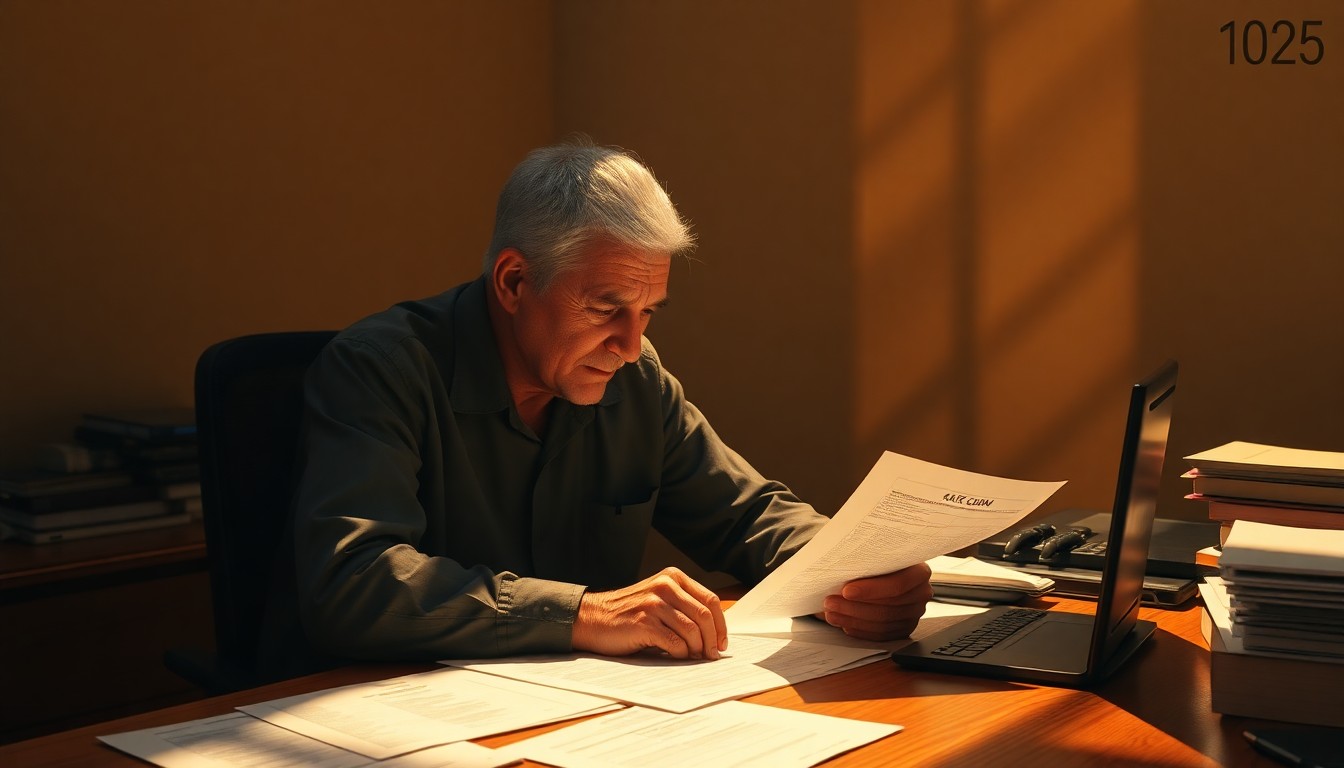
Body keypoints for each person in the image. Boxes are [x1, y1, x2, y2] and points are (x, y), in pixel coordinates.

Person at [291, 140, 931, 664]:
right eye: (606, 309)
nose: (630, 345)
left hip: (582, 715)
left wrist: (851, 574)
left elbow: (744, 515)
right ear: (514, 281)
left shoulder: (635, 380)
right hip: (386, 719)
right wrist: (585, 613)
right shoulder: (381, 370)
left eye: (648, 312)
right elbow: (353, 581)